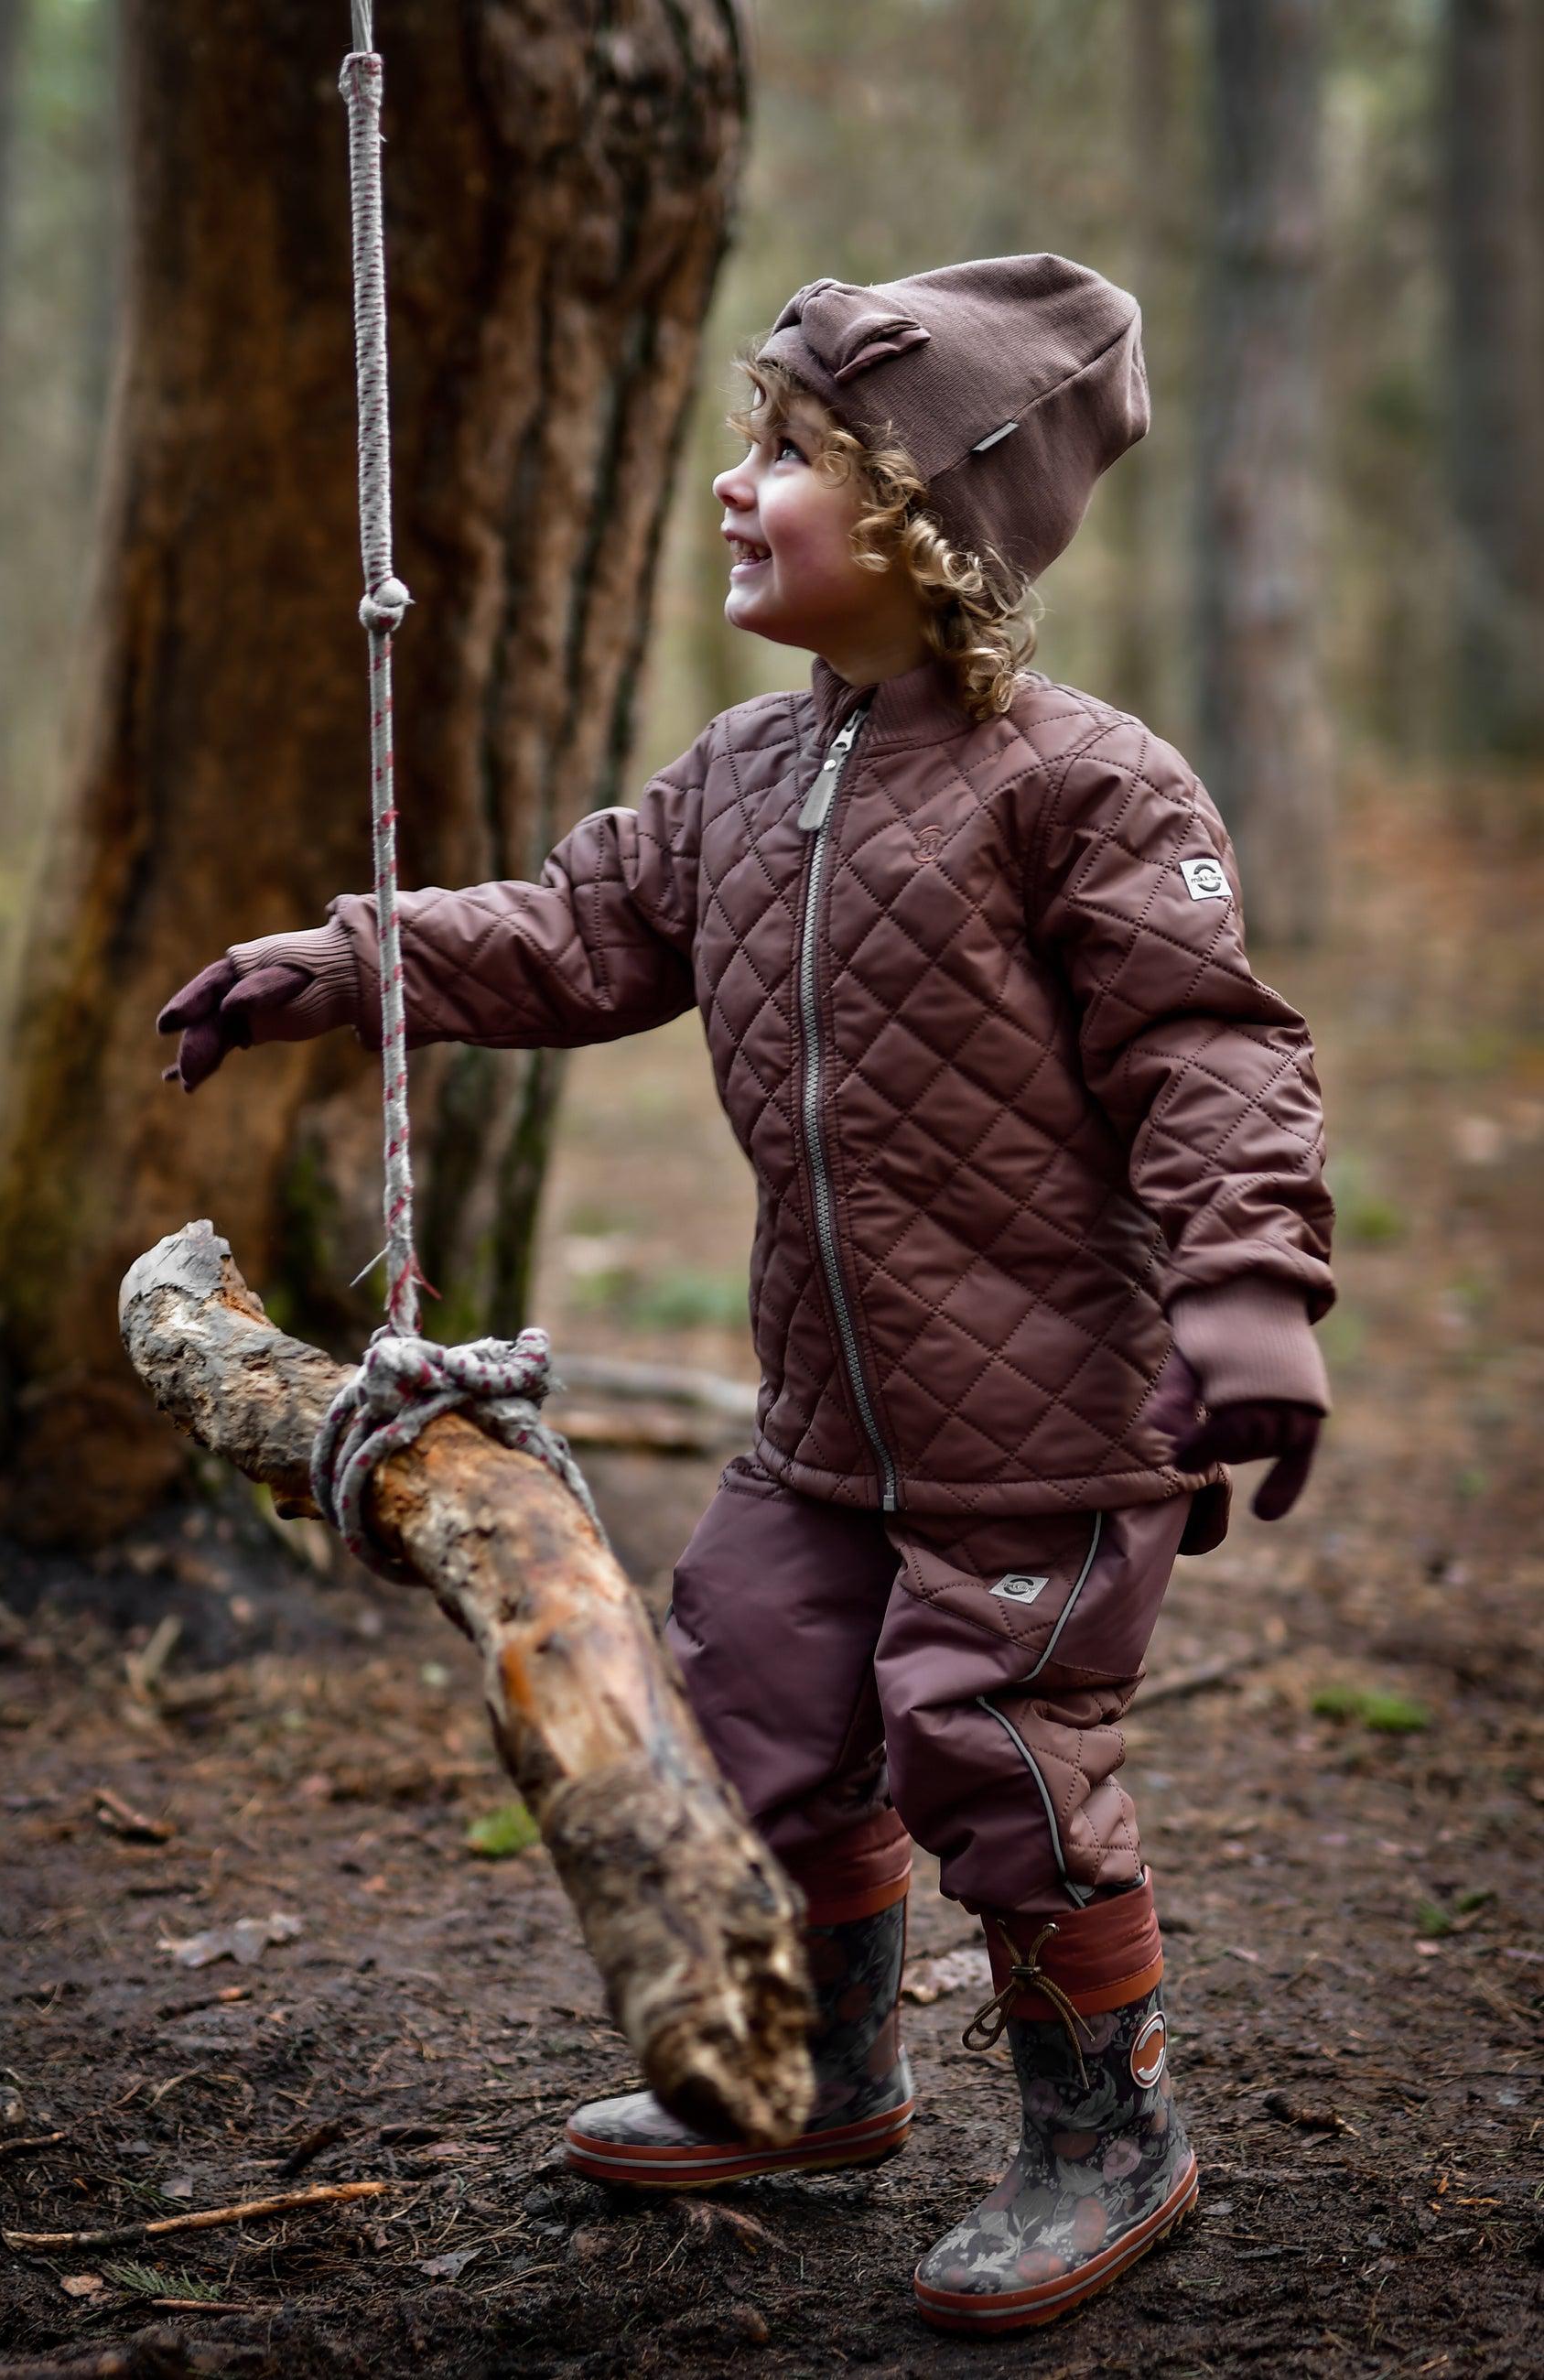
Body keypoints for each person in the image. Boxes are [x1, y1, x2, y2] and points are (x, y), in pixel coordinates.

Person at [159, 255, 1334, 2334]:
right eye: (747, 440)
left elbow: (1213, 1054)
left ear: (926, 521)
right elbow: (573, 929)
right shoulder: (738, 774)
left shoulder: (1087, 784)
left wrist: (1248, 1291)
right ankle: (819, 2072)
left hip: (1046, 1432)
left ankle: (1105, 2124)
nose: (736, 484)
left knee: (994, 1753)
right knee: (763, 1707)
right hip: (819, 1423)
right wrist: (342, 962)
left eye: (790, 453)